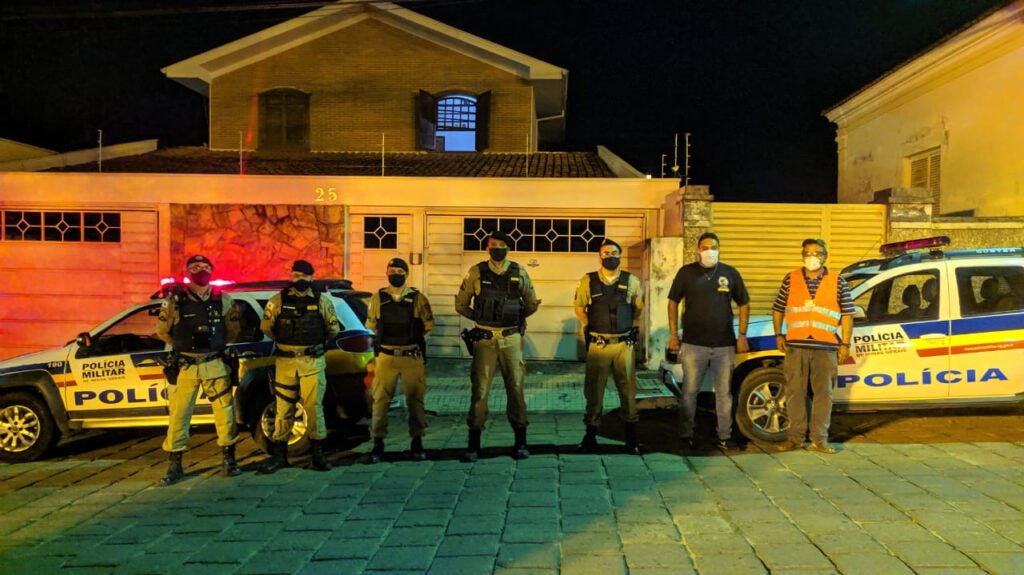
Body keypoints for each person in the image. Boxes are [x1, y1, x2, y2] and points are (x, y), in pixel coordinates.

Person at [155, 254, 242, 485]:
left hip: (214, 364)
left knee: (225, 414)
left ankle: (229, 459)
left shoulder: (223, 299)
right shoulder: (175, 301)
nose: (200, 271)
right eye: (194, 267)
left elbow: (233, 330)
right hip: (186, 366)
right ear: (187, 272)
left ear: (212, 270)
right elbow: (162, 331)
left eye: (204, 267)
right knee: (179, 416)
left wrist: (215, 346)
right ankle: (175, 465)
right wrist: (181, 346)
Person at [455, 231, 541, 462]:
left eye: (502, 244)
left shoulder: (519, 271)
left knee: (516, 388)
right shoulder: (476, 271)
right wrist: (482, 319)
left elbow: (532, 303)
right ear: (487, 247)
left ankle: (521, 443)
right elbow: (461, 305)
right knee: (480, 391)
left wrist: (513, 318)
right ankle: (474, 445)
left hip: (511, 339)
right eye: (493, 244)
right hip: (484, 340)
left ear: (508, 248)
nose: (498, 248)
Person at [667, 233, 750, 450]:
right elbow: (673, 302)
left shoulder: (729, 273)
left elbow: (744, 303)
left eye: (713, 247)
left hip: (724, 345)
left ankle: (724, 436)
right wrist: (673, 334)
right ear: (698, 250)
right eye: (705, 247)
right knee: (689, 392)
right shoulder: (686, 273)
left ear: (719, 249)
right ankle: (686, 435)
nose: (709, 251)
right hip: (694, 345)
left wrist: (742, 335)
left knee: (724, 393)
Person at [258, 260, 341, 473]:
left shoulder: (322, 300)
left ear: (311, 277)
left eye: (304, 276)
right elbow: (267, 327)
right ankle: (280, 455)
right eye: (296, 275)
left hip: (312, 362)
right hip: (285, 363)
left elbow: (333, 329)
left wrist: (318, 345)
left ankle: (317, 455)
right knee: (283, 408)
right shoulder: (278, 300)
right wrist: (287, 344)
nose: (300, 279)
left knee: (314, 408)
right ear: (291, 276)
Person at [772, 238, 854, 454]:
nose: (812, 257)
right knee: (795, 393)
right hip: (795, 346)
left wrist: (845, 344)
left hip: (826, 347)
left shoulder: (838, 281)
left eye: (817, 253)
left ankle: (819, 440)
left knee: (823, 395)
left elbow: (847, 315)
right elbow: (778, 308)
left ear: (825, 256)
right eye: (807, 253)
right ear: (802, 256)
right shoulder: (791, 279)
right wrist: (778, 334)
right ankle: (795, 439)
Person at [574, 239, 645, 454]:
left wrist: (628, 325)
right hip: (599, 345)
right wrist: (591, 324)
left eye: (614, 252)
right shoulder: (588, 281)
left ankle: (631, 440)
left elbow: (638, 308)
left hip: (624, 346)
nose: (610, 256)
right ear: (600, 257)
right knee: (594, 393)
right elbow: (579, 307)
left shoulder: (631, 281)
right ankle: (590, 437)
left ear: (619, 256)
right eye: (605, 253)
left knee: (628, 392)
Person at [362, 258, 435, 463]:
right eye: (392, 270)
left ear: (406, 274)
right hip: (386, 356)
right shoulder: (378, 298)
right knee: (380, 401)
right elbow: (372, 324)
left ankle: (417, 442)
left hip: (411, 356)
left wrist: (411, 339)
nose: (395, 274)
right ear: (386, 273)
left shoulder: (418, 298)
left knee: (415, 400)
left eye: (399, 271)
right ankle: (378, 443)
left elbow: (428, 325)